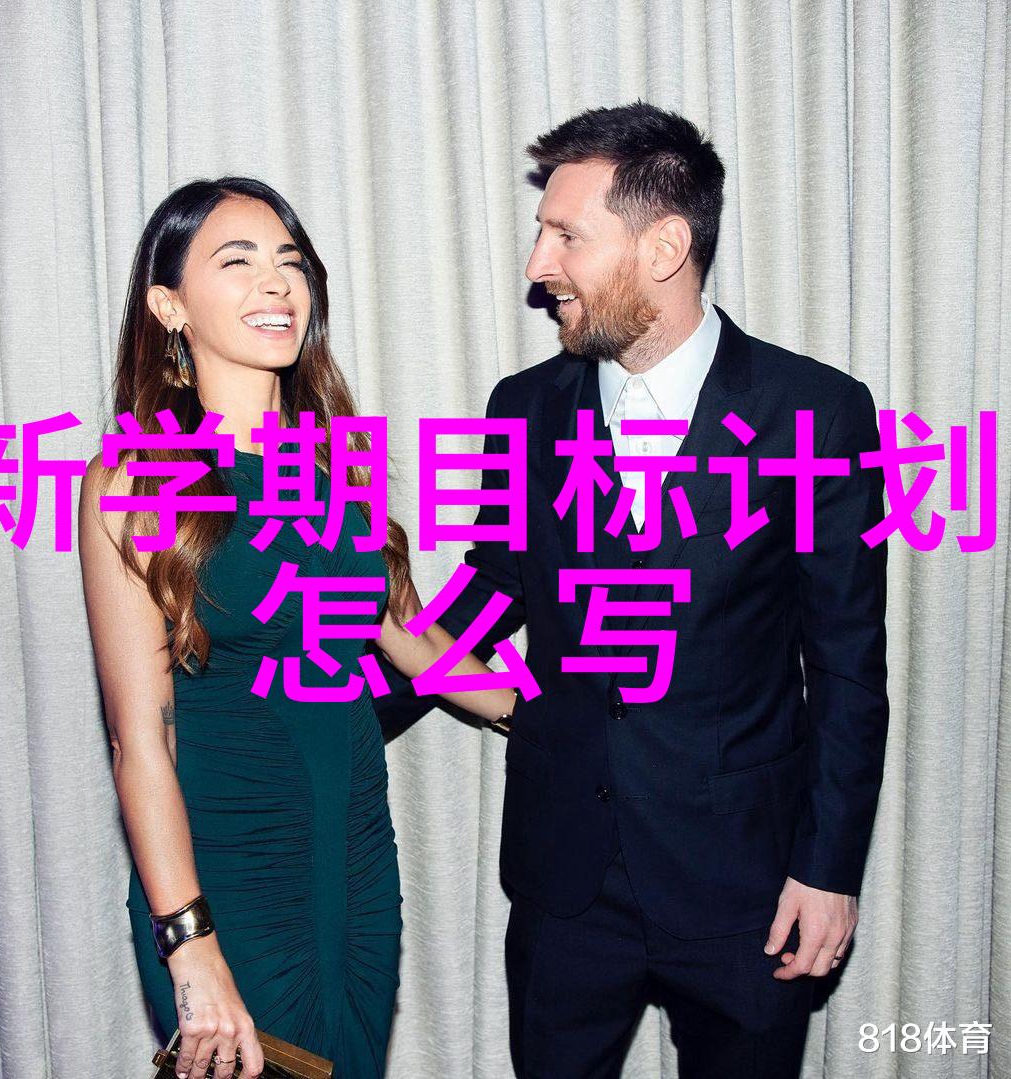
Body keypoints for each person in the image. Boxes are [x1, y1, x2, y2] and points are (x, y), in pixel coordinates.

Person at [373, 103, 890, 1078]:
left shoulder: (816, 413)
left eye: (566, 234)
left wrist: (828, 868)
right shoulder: (524, 407)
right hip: (567, 879)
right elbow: (494, 587)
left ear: (664, 247)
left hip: (746, 883)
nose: (538, 264)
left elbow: (849, 666)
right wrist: (343, 714)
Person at [77, 177, 518, 1079]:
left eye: (290, 262)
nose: (276, 282)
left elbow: (413, 639)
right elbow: (140, 742)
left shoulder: (333, 460)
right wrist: (190, 944)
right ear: (169, 305)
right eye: (237, 262)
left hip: (355, 867)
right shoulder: (135, 476)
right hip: (226, 878)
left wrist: (550, 715)